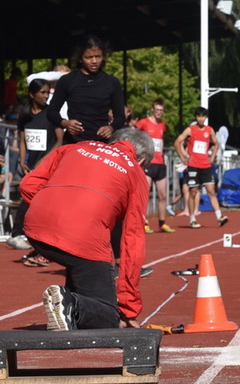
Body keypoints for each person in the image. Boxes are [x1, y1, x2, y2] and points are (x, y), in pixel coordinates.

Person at [19, 128, 153, 331]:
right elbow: (132, 240)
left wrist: (51, 209)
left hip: (35, 228)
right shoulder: (135, 171)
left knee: (78, 261)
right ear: (141, 161)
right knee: (109, 315)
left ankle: (66, 304)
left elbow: (28, 184)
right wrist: (128, 307)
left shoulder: (76, 147)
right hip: (83, 237)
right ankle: (70, 305)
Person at [5, 79, 64, 262]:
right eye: (42, 93)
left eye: (48, 93)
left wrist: (45, 161)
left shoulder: (51, 114)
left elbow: (60, 140)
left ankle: (21, 235)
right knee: (31, 199)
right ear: (32, 94)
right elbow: (22, 140)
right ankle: (35, 244)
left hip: (49, 165)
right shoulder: (25, 115)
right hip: (30, 166)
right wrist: (22, 162)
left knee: (34, 199)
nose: (46, 96)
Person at [47, 34, 126, 144]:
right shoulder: (67, 80)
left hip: (101, 145)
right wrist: (65, 123)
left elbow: (120, 117)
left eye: (98, 56)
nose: (94, 61)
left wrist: (111, 128)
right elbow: (51, 111)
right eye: (89, 57)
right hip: (73, 143)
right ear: (80, 58)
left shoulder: (112, 82)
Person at [173, 107, 228, 228]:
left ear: (206, 117)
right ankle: (192, 218)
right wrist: (183, 157)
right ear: (196, 117)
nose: (201, 119)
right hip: (193, 166)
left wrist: (212, 157)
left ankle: (219, 216)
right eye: (198, 116)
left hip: (206, 165)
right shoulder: (190, 130)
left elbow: (216, 143)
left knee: (211, 191)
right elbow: (177, 142)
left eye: (203, 116)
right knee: (193, 192)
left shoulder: (209, 130)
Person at [135, 99, 174, 234]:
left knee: (162, 195)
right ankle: (144, 222)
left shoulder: (163, 125)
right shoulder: (144, 123)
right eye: (157, 110)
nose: (159, 113)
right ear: (152, 109)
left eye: (161, 111)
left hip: (160, 163)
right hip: (148, 162)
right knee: (145, 194)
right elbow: (134, 133)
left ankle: (162, 223)